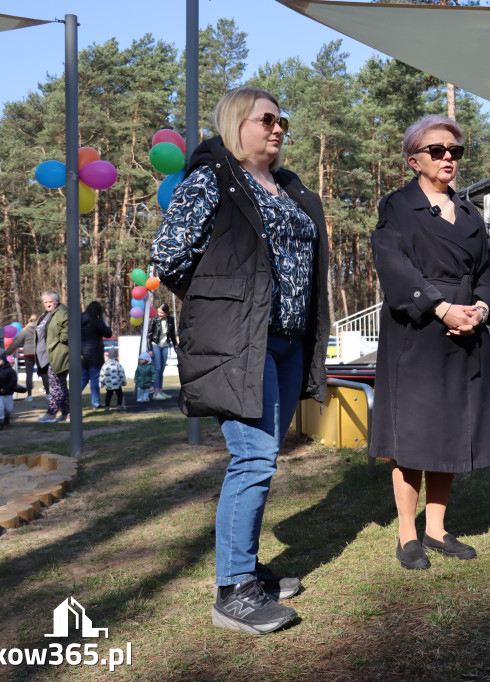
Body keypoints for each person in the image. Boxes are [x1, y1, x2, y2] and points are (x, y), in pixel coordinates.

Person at [150, 87, 329, 635]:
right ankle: (233, 592)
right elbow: (169, 256)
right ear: (236, 124)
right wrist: (224, 303)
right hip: (240, 341)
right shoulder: (213, 179)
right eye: (266, 120)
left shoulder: (289, 187)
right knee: (252, 457)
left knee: (264, 454)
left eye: (282, 121)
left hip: (288, 341)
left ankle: (245, 569)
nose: (278, 129)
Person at [371, 114, 490, 570]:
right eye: (437, 150)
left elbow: (489, 271)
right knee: (412, 433)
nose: (448, 157)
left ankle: (437, 528)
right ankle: (407, 535)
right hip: (418, 330)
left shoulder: (470, 213)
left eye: (456, 150)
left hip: (467, 327)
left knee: (451, 426)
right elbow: (393, 266)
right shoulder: (396, 206)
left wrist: (481, 310)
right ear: (414, 160)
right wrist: (440, 307)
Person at [35, 290, 69, 423]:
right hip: (46, 356)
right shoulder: (46, 315)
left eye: (50, 301)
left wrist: (62, 340)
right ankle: (67, 413)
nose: (48, 304)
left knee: (56, 386)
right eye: (45, 302)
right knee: (61, 386)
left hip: (57, 355)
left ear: (56, 301)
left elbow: (66, 329)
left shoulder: (62, 312)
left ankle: (51, 413)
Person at [80, 301, 112, 409]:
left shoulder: (79, 319)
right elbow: (108, 334)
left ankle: (71, 398)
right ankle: (96, 403)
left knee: (83, 378)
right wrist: (105, 320)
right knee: (94, 379)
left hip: (81, 354)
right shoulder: (97, 321)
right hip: (95, 354)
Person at [147, 303, 177, 400]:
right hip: (155, 345)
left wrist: (176, 346)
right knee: (157, 368)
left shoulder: (171, 320)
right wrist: (150, 350)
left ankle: (160, 391)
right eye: (158, 312)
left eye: (162, 312)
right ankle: (155, 392)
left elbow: (172, 335)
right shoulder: (154, 320)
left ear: (167, 312)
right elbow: (149, 335)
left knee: (162, 369)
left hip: (165, 346)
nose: (159, 314)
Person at [6, 315, 40, 400]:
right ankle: (48, 394)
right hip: (39, 353)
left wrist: (7, 353)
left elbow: (16, 343)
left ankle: (29, 396)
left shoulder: (25, 330)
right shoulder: (41, 329)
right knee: (44, 373)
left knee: (29, 374)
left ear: (29, 320)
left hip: (28, 353)